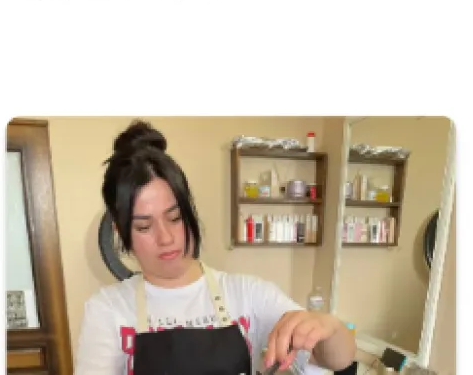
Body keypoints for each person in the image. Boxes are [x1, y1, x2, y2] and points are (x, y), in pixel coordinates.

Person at [74, 121, 356, 375]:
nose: (166, 238)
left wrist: (328, 327)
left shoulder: (248, 294)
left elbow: (337, 359)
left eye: (174, 218)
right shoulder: (107, 310)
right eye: (144, 227)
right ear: (121, 232)